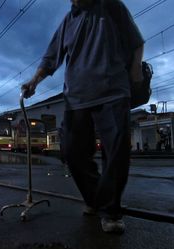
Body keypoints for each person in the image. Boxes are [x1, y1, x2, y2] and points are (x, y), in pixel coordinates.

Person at [21, 0, 144, 233]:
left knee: (116, 153)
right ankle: (96, 199)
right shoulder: (68, 22)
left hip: (113, 92)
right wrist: (34, 81)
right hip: (77, 98)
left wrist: (135, 71)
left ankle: (111, 212)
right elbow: (50, 58)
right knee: (71, 152)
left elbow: (136, 42)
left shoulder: (112, 7)